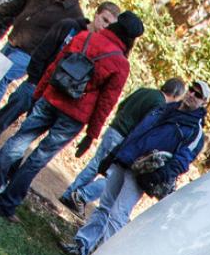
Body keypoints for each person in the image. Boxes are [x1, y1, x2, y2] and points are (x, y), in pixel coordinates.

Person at [0, 10, 141, 220]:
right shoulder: (120, 64)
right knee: (38, 158)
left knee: (17, 142)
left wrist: (39, 92)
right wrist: (92, 134)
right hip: (74, 116)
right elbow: (106, 103)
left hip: (51, 98)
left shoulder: (84, 37)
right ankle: (5, 204)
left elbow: (54, 66)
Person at [0, 2, 117, 172]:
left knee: (22, 141)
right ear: (96, 14)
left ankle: (2, 178)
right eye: (104, 20)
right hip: (34, 86)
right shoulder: (70, 27)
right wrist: (34, 79)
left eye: (110, 25)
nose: (105, 26)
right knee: (1, 121)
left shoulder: (99, 48)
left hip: (53, 98)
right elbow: (42, 51)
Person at [63, 79, 210, 255]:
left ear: (204, 103)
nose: (192, 95)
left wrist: (158, 176)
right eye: (191, 90)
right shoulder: (165, 108)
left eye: (198, 95)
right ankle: (82, 245)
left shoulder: (194, 132)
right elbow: (137, 131)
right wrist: (116, 154)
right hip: (125, 159)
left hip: (143, 173)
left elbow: (182, 161)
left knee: (118, 215)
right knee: (105, 206)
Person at [0, 0, 86, 130]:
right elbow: (17, 4)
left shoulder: (75, 17)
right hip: (14, 41)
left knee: (0, 74)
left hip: (31, 54)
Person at [60, 77, 185, 212]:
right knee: (113, 177)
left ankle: (69, 193)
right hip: (124, 138)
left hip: (114, 129)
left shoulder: (144, 91)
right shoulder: (160, 105)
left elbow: (122, 105)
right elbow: (145, 126)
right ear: (175, 95)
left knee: (95, 165)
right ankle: (82, 195)